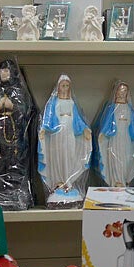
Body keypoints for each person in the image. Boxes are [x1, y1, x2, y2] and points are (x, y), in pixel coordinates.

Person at [0, 59, 35, 210]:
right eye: (1, 70)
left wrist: (13, 106)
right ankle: (0, 191)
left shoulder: (19, 90)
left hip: (14, 134)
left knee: (15, 161)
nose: (4, 73)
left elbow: (26, 111)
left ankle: (15, 191)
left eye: (6, 70)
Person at [38, 75, 92, 206]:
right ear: (58, 87)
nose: (65, 88)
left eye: (67, 86)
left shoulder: (72, 103)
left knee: (69, 156)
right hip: (57, 135)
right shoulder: (53, 103)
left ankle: (68, 181)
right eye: (63, 85)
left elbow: (77, 120)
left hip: (69, 134)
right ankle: (59, 182)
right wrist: (44, 129)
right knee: (58, 156)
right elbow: (48, 119)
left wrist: (85, 129)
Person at [95, 81, 134, 187]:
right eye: (120, 90)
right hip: (115, 139)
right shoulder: (112, 108)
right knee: (115, 158)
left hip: (126, 139)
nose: (122, 93)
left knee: (126, 159)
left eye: (125, 90)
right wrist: (103, 133)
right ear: (116, 92)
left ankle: (124, 179)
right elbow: (107, 123)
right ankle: (117, 180)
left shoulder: (129, 108)